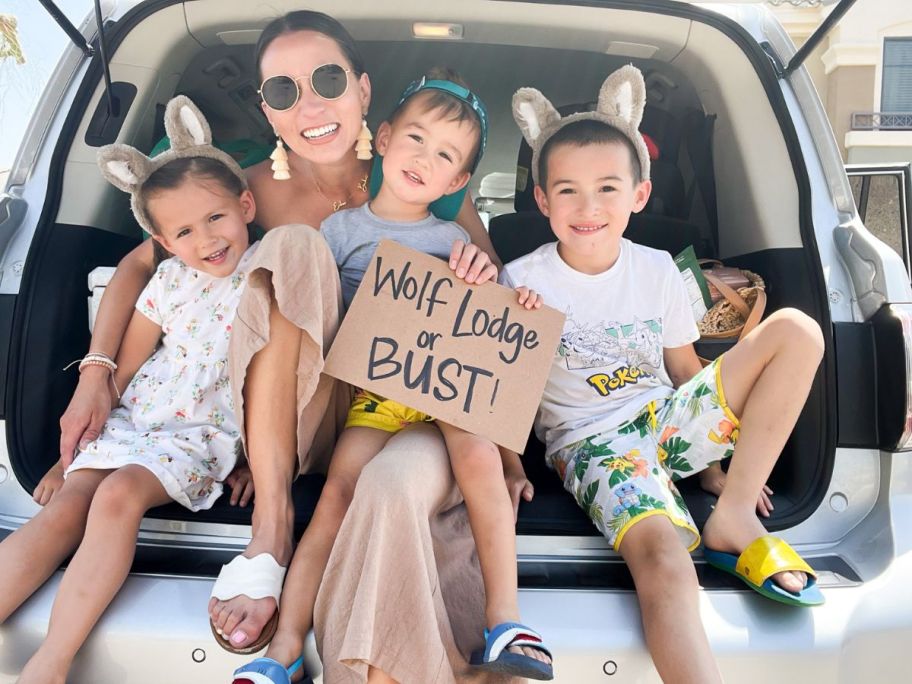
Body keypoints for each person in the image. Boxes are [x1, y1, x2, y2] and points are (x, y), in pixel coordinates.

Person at [504, 65, 826, 684]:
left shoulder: (657, 270)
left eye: (606, 188)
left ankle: (734, 513)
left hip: (665, 420)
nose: (588, 207)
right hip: (594, 445)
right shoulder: (523, 281)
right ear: (542, 200)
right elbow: (502, 396)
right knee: (666, 560)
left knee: (797, 331)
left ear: (639, 195)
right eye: (566, 190)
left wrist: (714, 464)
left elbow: (683, 369)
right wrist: (512, 468)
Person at [231, 70, 553, 683]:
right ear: (382, 139)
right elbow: (316, 317)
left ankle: (505, 618)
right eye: (415, 138)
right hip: (373, 394)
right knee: (334, 499)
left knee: (480, 461)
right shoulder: (339, 233)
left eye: (445, 156)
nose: (423, 159)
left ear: (457, 181)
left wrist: (502, 292)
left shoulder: (456, 239)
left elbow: (501, 338)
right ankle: (285, 649)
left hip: (447, 398)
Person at [1, 96, 256, 684]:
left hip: (201, 434)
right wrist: (80, 448)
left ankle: (51, 661)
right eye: (185, 231)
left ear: (246, 205)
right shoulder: (167, 280)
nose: (207, 239)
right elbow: (126, 366)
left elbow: (286, 381)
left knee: (117, 499)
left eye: (216, 218)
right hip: (138, 421)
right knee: (66, 505)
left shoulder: (271, 271)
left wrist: (259, 461)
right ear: (163, 242)